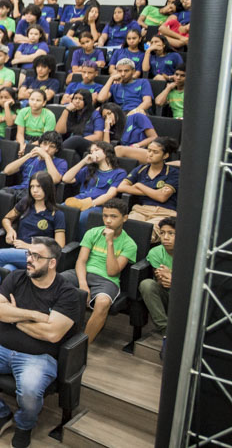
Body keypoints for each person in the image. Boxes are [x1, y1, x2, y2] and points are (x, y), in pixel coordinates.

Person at [0, 237, 83, 448]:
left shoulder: (67, 293)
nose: (29, 260)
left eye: (37, 256)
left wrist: (13, 317)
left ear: (52, 263)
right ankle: (0, 413)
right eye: (29, 254)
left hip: (39, 357)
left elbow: (52, 334)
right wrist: (34, 315)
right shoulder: (16, 277)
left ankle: (24, 424)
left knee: (30, 391)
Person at [61, 199, 137, 344]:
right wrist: (83, 284)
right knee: (53, 281)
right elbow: (81, 261)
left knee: (103, 303)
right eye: (105, 216)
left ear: (124, 218)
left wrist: (110, 243)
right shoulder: (92, 233)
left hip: (107, 280)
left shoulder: (129, 244)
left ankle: (81, 346)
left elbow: (112, 271)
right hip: (82, 274)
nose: (108, 220)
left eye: (113, 216)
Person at [0, 172, 66, 271]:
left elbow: (59, 246)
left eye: (39, 186)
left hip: (39, 256)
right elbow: (7, 219)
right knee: (8, 269)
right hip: (19, 251)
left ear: (47, 188)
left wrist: (29, 246)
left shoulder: (57, 214)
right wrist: (10, 230)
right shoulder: (25, 203)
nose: (34, 190)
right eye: (32, 186)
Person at [117, 137, 179, 233]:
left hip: (164, 212)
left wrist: (139, 185)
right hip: (141, 210)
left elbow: (162, 197)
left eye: (155, 152)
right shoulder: (140, 169)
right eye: (149, 150)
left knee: (146, 234)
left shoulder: (173, 173)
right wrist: (154, 192)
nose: (150, 154)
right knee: (124, 230)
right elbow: (121, 187)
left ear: (165, 155)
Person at [142, 217, 175, 355]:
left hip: (186, 298)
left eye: (171, 233)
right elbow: (161, 282)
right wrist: (166, 279)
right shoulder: (155, 252)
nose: (165, 237)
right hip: (167, 295)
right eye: (162, 233)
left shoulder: (190, 254)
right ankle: (166, 332)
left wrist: (173, 279)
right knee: (147, 284)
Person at [1, 130, 67, 194]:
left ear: (56, 149)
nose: (46, 149)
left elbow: (55, 180)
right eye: (44, 144)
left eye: (52, 146)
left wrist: (46, 157)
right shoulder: (31, 158)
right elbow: (7, 171)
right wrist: (28, 156)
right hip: (20, 189)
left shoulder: (61, 162)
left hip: (38, 193)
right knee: (1, 194)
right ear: (40, 144)